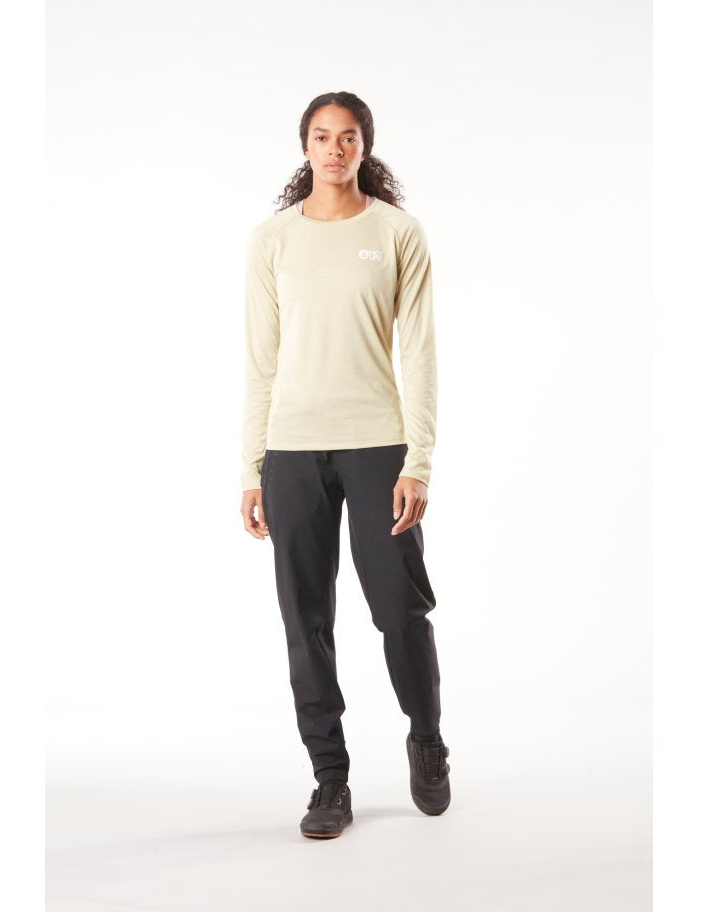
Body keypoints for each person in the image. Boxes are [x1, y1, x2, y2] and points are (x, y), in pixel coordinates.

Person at [239, 92, 451, 839]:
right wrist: (251, 468)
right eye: (322, 136)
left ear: (365, 146)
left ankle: (427, 739)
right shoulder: (271, 241)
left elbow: (419, 353)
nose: (335, 148)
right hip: (292, 451)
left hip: (377, 447)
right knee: (306, 620)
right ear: (305, 146)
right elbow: (260, 361)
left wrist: (418, 460)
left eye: (348, 137)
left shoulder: (397, 233)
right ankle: (330, 778)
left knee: (399, 608)